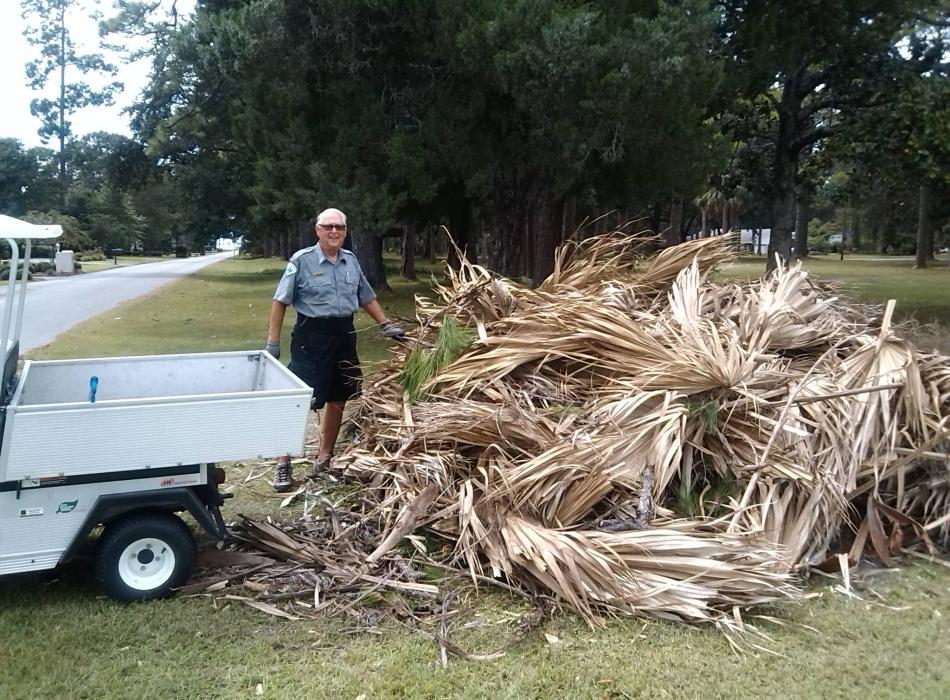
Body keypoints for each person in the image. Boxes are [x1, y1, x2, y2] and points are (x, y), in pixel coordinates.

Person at [265, 207, 405, 492]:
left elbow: (366, 296)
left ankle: (324, 456)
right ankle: (282, 463)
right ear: (317, 230)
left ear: (344, 231)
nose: (334, 232)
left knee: (339, 397)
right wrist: (273, 343)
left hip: (343, 334)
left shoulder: (351, 261)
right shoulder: (301, 261)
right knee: (298, 400)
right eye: (328, 226)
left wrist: (386, 324)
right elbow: (280, 301)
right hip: (311, 336)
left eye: (339, 227)